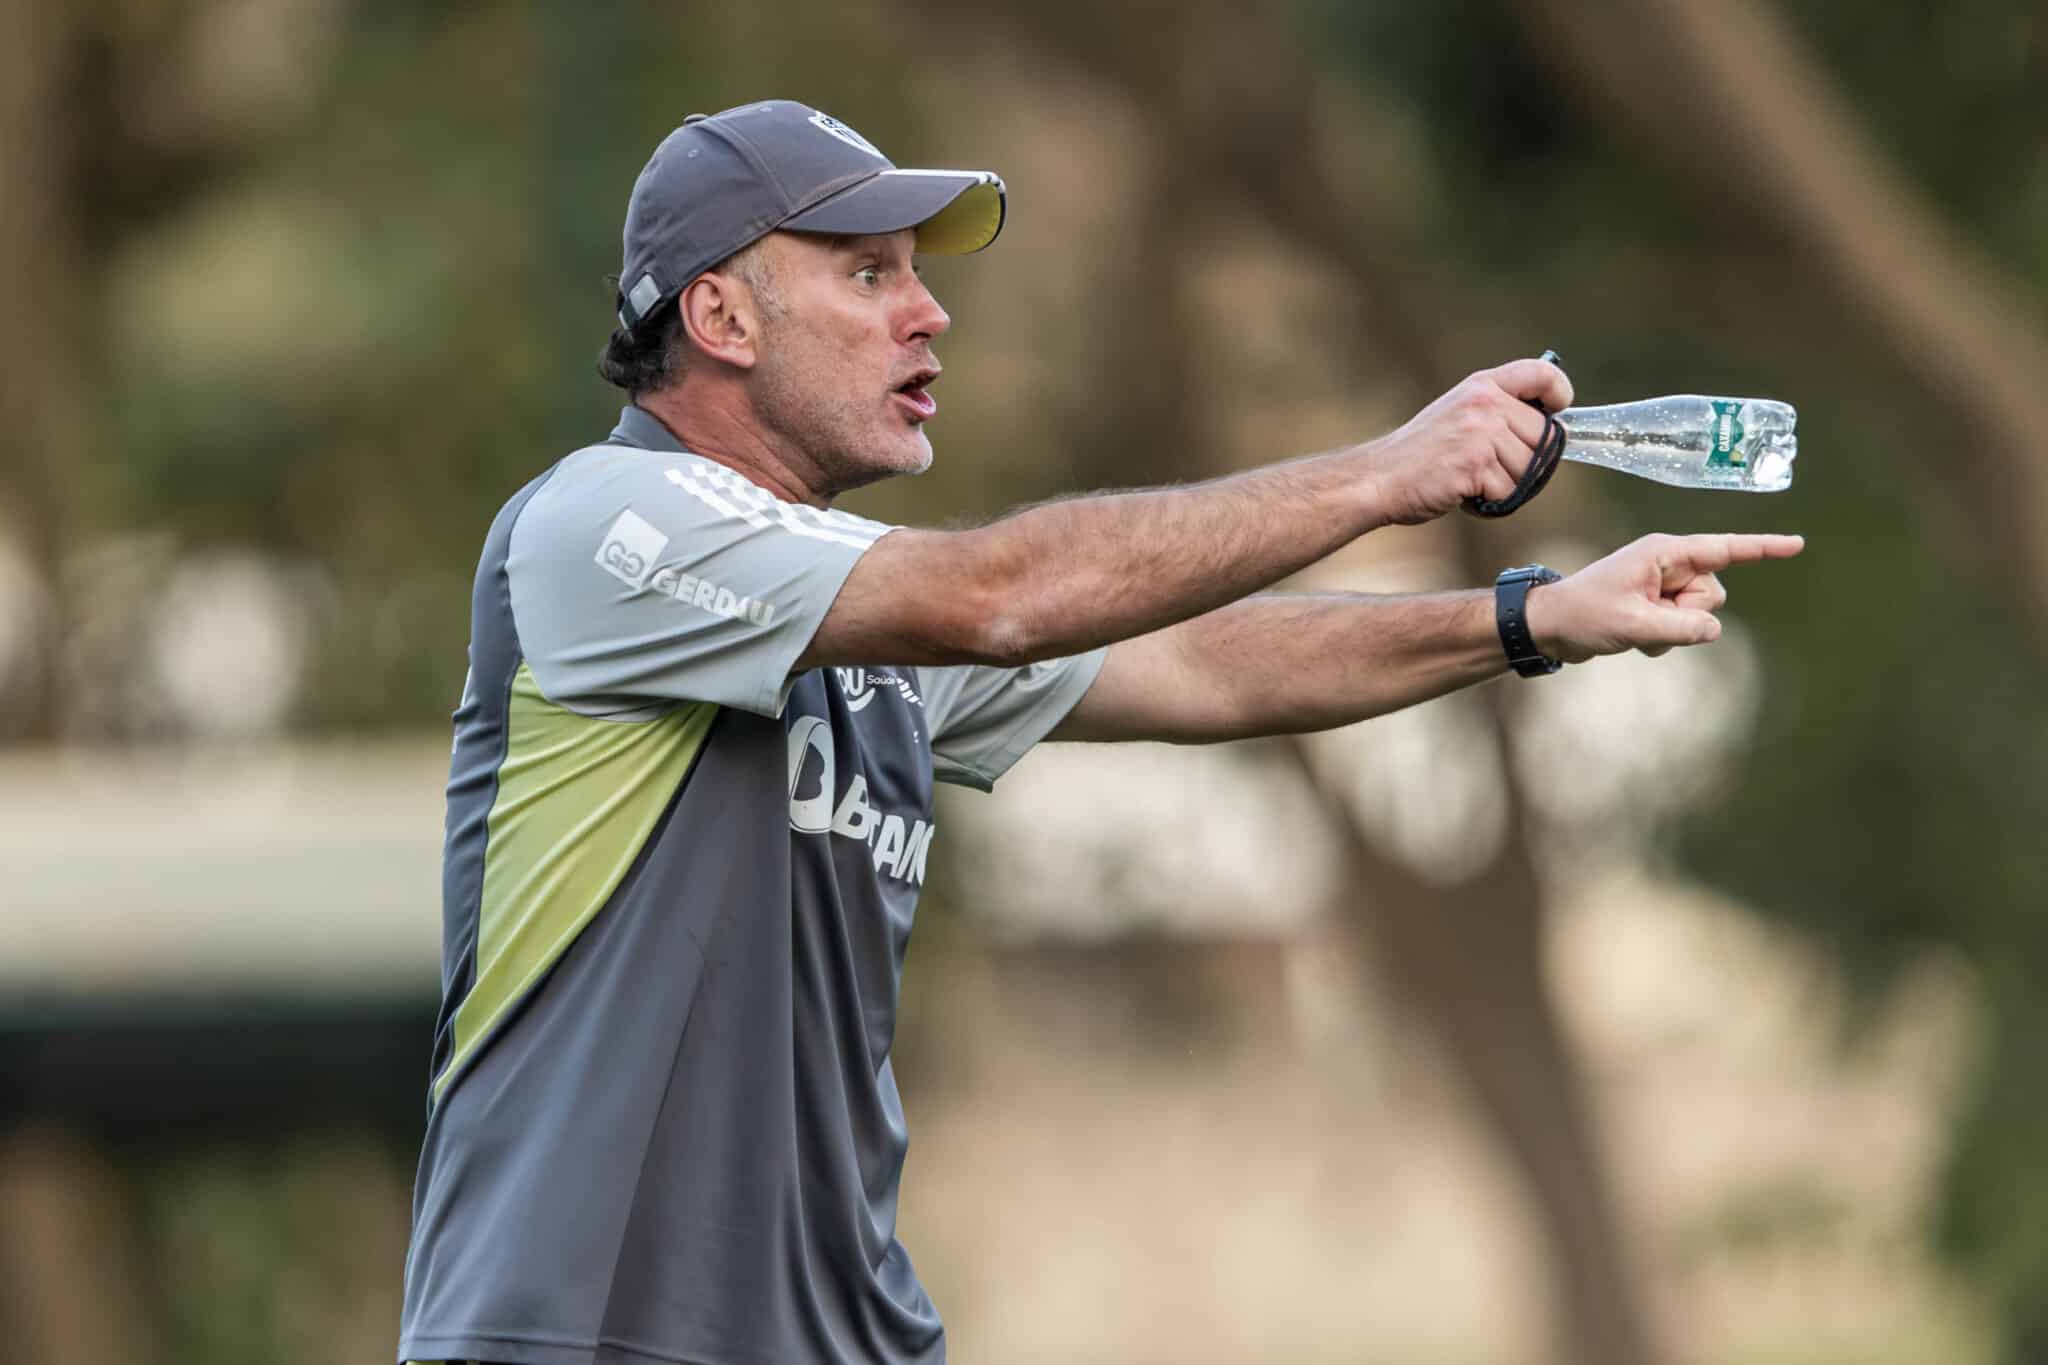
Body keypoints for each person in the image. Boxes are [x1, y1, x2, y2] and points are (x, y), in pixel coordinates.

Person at [397, 100, 1802, 1365]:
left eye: (916, 273)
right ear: (721, 316)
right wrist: (1388, 473)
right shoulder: (602, 525)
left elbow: (1199, 664)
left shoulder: (857, 612)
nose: (929, 313)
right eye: (868, 273)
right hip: (569, 1337)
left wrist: (1533, 615)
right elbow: (1002, 597)